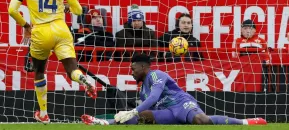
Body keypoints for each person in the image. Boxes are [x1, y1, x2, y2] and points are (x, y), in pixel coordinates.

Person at [8, 0, 97, 124]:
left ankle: (43, 113)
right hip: (61, 30)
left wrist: (25, 25)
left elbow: (11, 10)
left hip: (40, 31)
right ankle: (82, 79)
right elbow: (78, 10)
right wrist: (67, 7)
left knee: (40, 71)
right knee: (72, 69)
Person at [81, 54, 267, 126]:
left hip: (181, 103)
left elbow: (154, 98)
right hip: (168, 113)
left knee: (201, 120)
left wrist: (134, 110)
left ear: (144, 67)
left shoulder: (156, 75)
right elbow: (148, 106)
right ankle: (102, 123)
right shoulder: (142, 91)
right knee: (137, 118)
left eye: (133, 68)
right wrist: (135, 114)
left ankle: (245, 122)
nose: (131, 72)